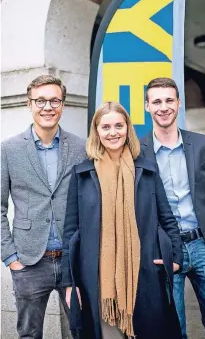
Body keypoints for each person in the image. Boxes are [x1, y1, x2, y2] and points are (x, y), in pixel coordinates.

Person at [61, 101, 183, 339]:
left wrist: (175, 259)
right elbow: (70, 231)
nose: (113, 132)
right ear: (96, 131)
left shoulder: (147, 170)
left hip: (145, 273)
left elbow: (167, 219)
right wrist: (70, 281)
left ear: (128, 128)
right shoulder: (82, 174)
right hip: (97, 280)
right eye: (105, 127)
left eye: (119, 125)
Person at [141, 77, 205, 339]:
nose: (163, 107)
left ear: (179, 103)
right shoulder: (137, 151)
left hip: (203, 245)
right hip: (166, 249)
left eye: (169, 100)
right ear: (147, 106)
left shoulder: (201, 144)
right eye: (156, 101)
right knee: (174, 331)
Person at [1, 75, 86, 339]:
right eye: (40, 100)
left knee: (83, 330)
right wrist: (11, 258)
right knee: (29, 333)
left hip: (74, 260)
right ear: (29, 104)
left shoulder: (82, 147)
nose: (47, 107)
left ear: (62, 105)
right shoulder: (8, 149)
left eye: (54, 100)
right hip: (29, 262)